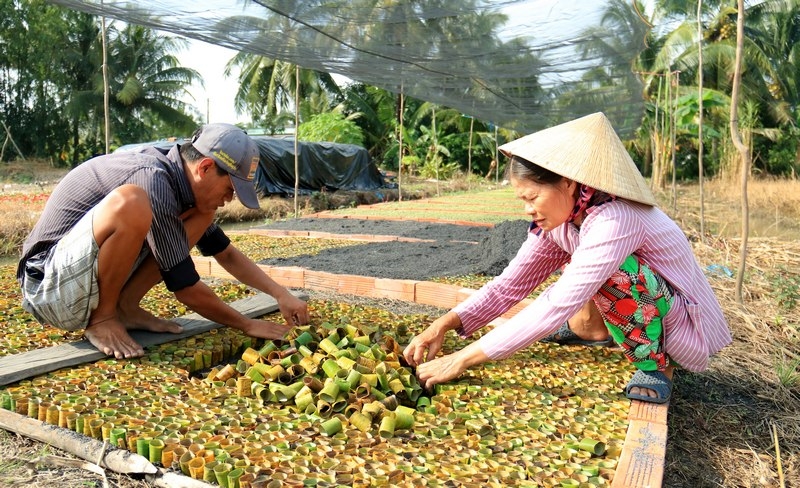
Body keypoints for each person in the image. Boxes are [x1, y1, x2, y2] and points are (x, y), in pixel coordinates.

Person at [403, 112, 731, 404]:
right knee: (584, 263)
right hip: (646, 309)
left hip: (681, 324)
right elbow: (508, 286)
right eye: (522, 199)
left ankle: (651, 366)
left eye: (533, 197)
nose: (528, 209)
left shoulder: (616, 220)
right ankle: (588, 331)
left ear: (569, 183)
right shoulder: (561, 223)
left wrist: (461, 359)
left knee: (613, 270)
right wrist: (442, 324)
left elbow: (558, 302)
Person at [17, 123, 309, 359]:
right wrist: (246, 324)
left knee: (202, 216)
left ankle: (125, 307)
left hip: (80, 283)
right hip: (49, 288)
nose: (229, 199)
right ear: (205, 167)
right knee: (131, 202)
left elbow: (225, 253)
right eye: (230, 188)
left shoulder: (179, 185)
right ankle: (103, 319)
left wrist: (280, 293)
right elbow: (184, 286)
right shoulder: (151, 177)